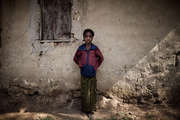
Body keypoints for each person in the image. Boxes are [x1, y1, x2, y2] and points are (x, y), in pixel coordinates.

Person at [73, 29, 104, 113]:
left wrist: (95, 66)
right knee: (84, 92)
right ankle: (85, 109)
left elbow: (101, 58)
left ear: (92, 38)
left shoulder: (95, 48)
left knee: (92, 91)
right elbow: (75, 58)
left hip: (92, 73)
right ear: (83, 37)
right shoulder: (81, 48)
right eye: (86, 36)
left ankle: (92, 108)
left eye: (90, 36)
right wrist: (80, 65)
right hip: (83, 73)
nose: (88, 38)